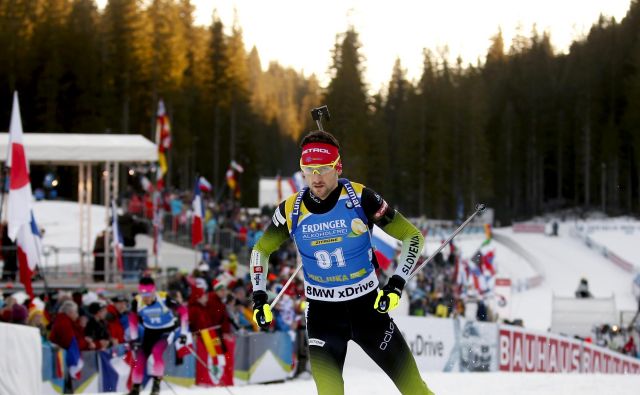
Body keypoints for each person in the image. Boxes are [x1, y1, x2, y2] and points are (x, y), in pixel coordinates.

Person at [249, 130, 435, 395]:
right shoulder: (291, 209)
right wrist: (259, 298)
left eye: (323, 169)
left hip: (368, 311)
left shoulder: (361, 198)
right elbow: (260, 250)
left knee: (414, 389)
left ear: (337, 167)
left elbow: (411, 236)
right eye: (308, 169)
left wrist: (396, 284)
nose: (315, 177)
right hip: (323, 317)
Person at [128, 277, 187, 395]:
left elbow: (183, 311)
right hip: (150, 332)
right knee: (139, 359)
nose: (146, 298)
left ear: (154, 291)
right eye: (143, 295)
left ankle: (156, 386)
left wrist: (183, 333)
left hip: (167, 330)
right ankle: (135, 389)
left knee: (157, 351)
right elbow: (133, 318)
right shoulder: (137, 301)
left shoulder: (164, 298)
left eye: (148, 295)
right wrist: (133, 338)